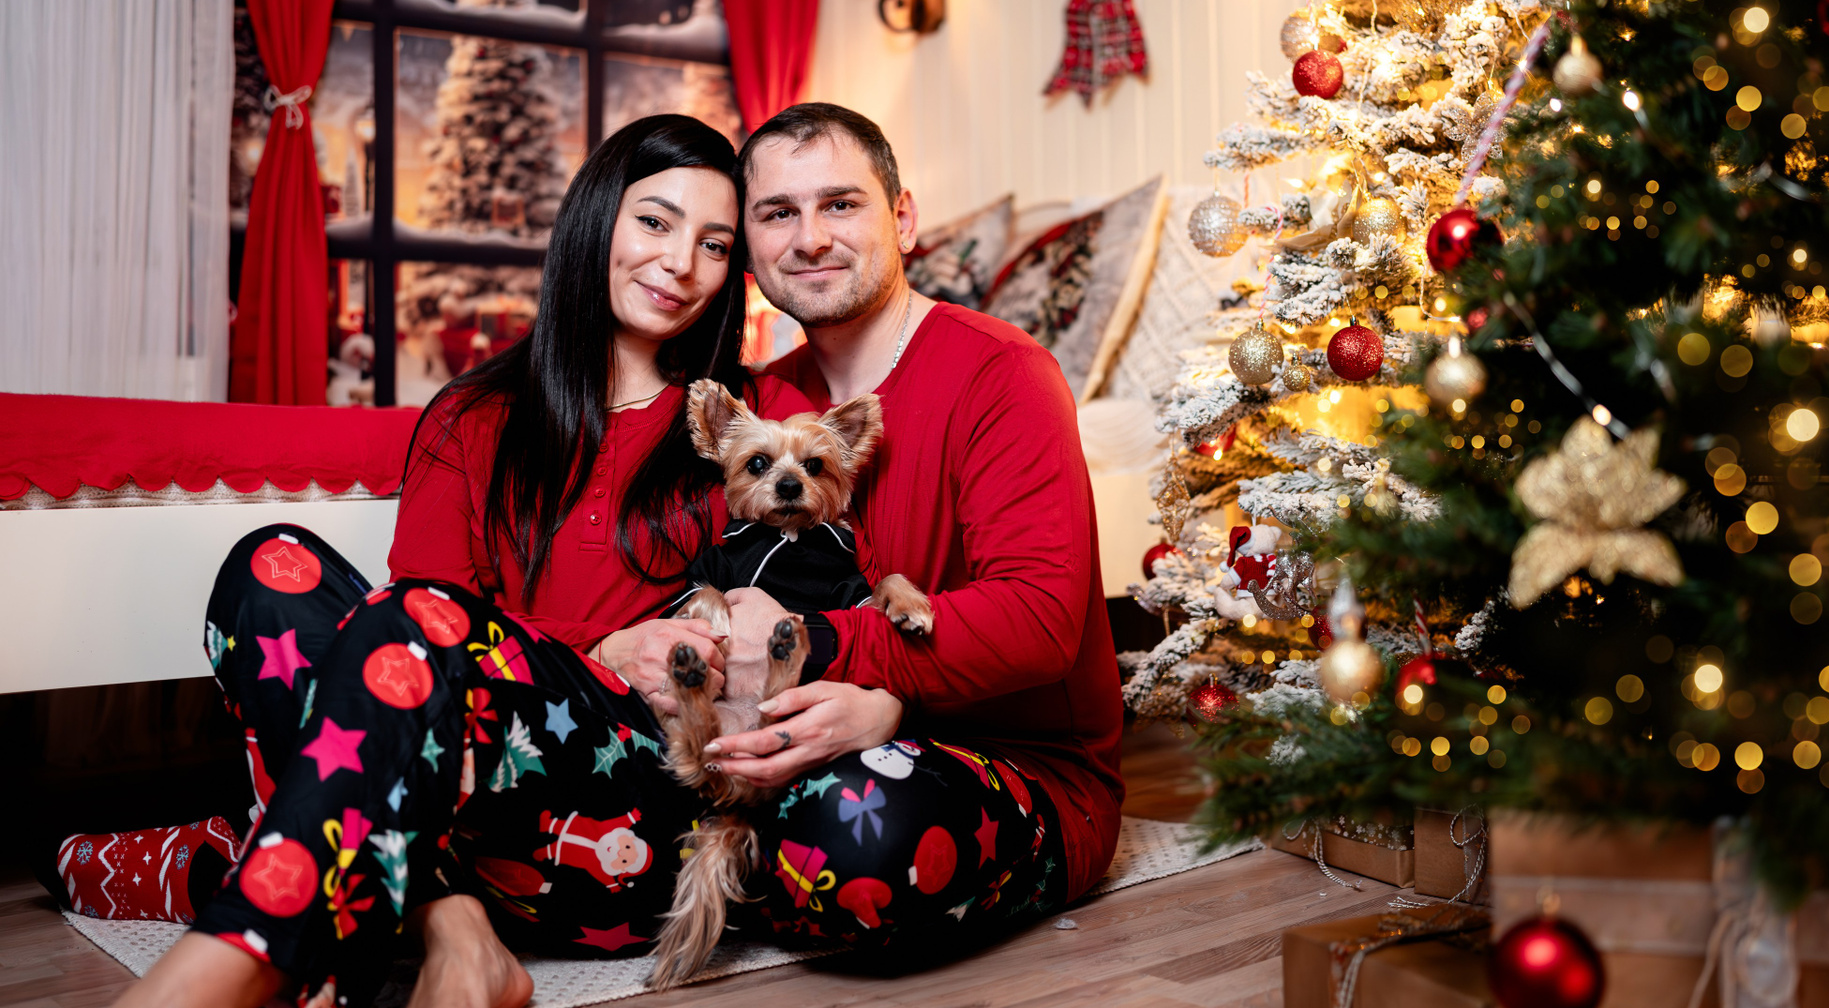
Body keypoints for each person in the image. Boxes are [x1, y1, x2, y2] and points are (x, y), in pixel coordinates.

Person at [108, 106, 1105, 1008]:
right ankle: (449, 924)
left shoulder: (747, 423)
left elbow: (812, 604)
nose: (683, 262)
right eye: (658, 222)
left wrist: (864, 688)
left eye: (714, 242)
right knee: (274, 568)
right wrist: (601, 649)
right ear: (597, 221)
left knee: (407, 662)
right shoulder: (480, 414)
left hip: (647, 787)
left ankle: (263, 905)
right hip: (485, 751)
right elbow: (428, 631)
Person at [713, 102, 1125, 929]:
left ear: (902, 219)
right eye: (778, 213)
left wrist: (854, 671)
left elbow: (1040, 621)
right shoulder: (758, 404)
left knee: (860, 838)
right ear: (750, 248)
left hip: (1013, 764)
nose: (810, 238)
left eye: (840, 204)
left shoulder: (1003, 373)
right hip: (788, 736)